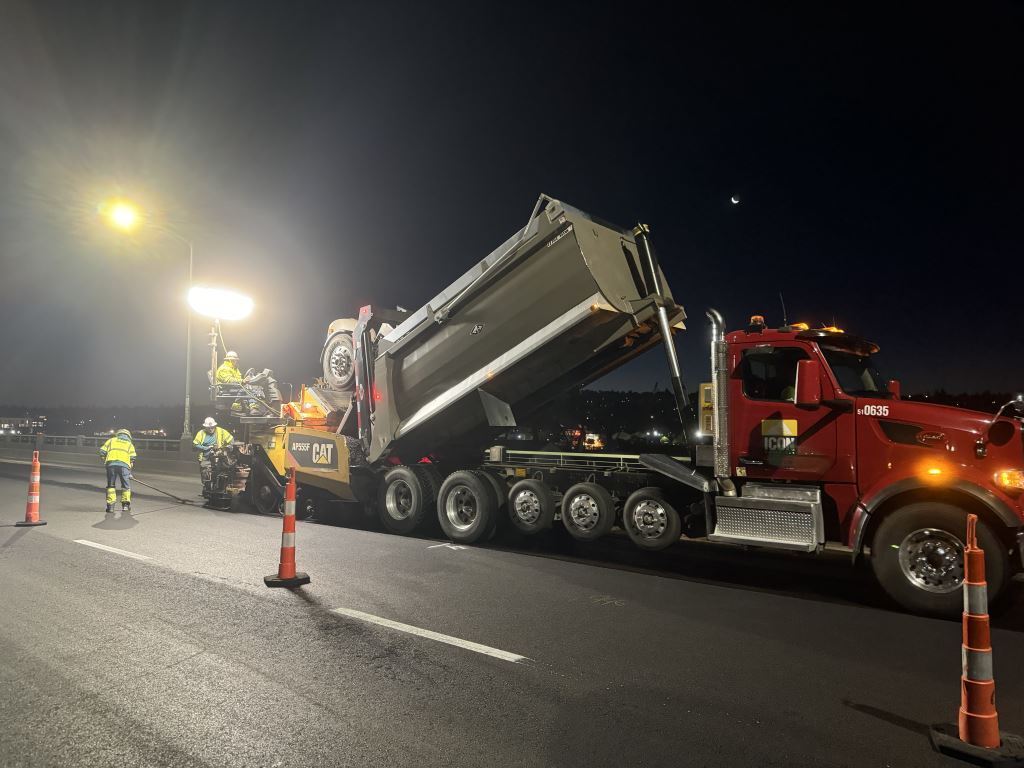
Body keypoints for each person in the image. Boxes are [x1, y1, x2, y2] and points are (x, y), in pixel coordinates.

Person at [99, 428, 136, 513]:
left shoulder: (111, 440)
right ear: (128, 436)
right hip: (124, 466)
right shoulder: (129, 444)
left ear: (118, 434)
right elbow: (132, 458)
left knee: (111, 485)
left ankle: (110, 507)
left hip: (111, 465)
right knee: (125, 486)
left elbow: (102, 451)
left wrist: (105, 460)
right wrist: (129, 472)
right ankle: (125, 506)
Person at [193, 417, 234, 488]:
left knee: (223, 473)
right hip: (206, 458)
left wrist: (227, 448)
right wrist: (206, 448)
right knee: (206, 475)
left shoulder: (221, 431)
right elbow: (195, 444)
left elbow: (231, 439)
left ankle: (219, 486)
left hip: (219, 457)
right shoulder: (201, 433)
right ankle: (207, 487)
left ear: (215, 426)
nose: (211, 429)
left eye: (212, 427)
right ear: (205, 427)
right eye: (209, 428)